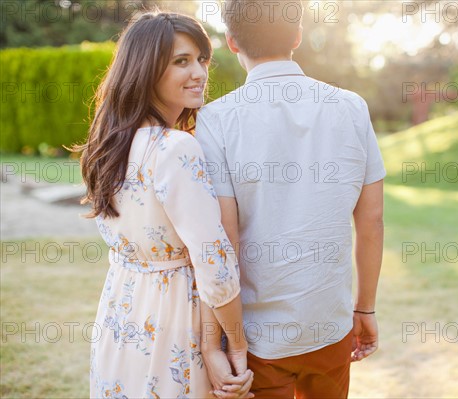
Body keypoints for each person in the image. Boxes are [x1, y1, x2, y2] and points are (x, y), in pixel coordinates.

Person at [196, 1, 386, 397]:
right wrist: (364, 308)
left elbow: (224, 241)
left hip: (258, 336)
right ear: (298, 35)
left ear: (231, 42)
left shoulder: (215, 119)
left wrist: (219, 340)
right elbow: (371, 221)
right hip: (330, 325)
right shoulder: (351, 107)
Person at [75, 11, 253, 398]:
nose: (199, 72)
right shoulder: (176, 148)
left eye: (202, 59)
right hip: (173, 322)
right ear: (145, 70)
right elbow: (214, 263)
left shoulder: (108, 146)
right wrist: (234, 345)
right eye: (180, 61)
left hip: (121, 316)